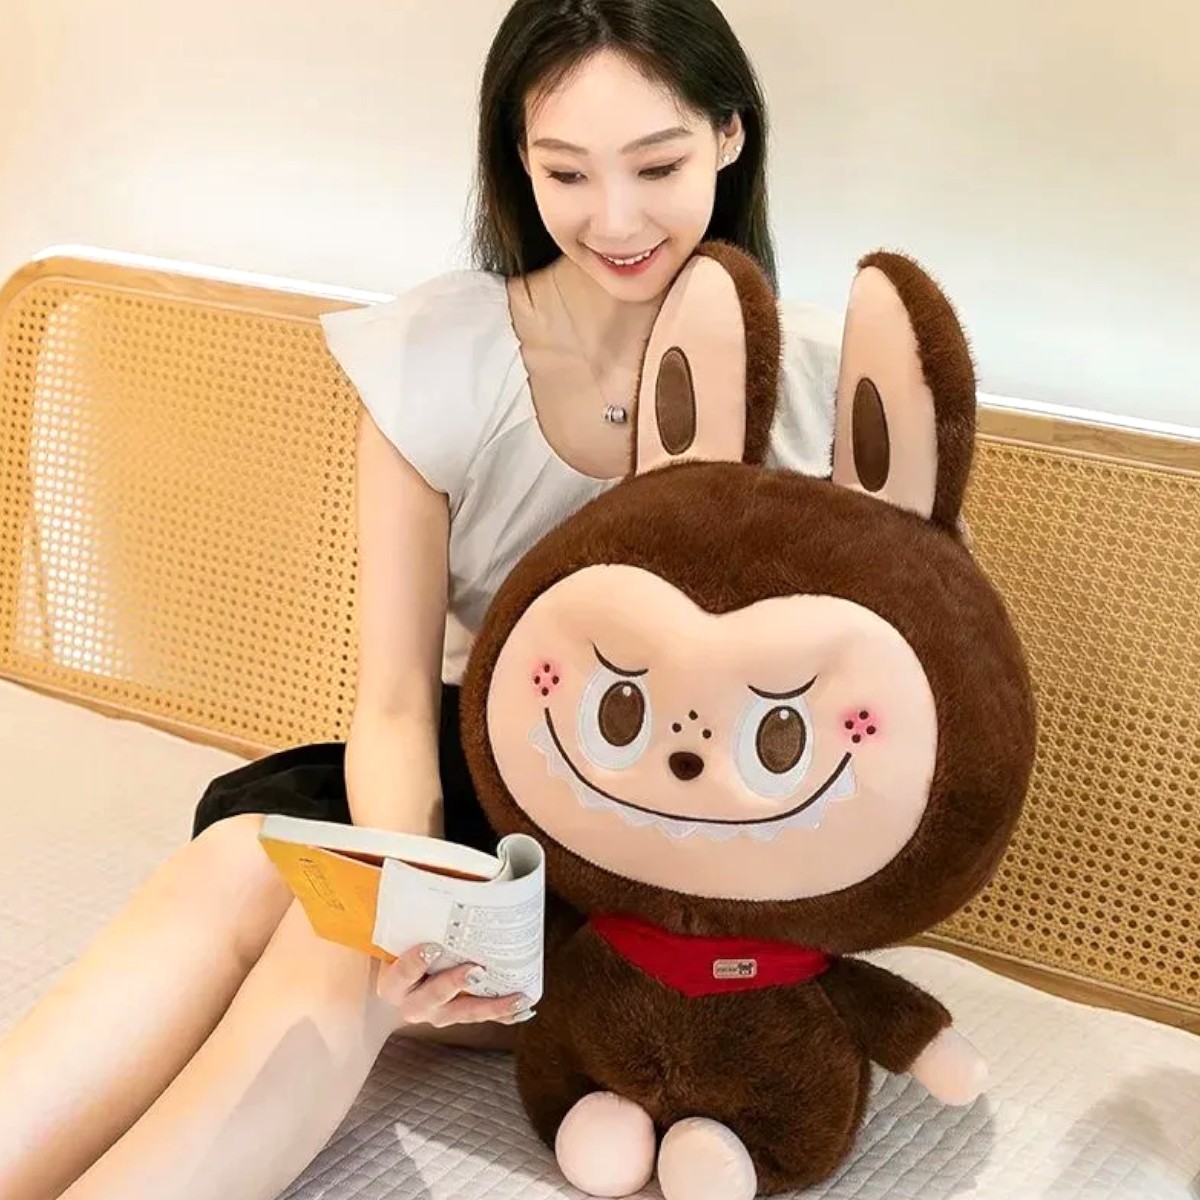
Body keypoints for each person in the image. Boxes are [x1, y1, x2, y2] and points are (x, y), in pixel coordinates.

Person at [0, 2, 840, 1198]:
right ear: (517, 162)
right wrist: (413, 906)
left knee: (329, 944)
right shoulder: (445, 352)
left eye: (656, 167)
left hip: (676, 831)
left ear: (729, 136)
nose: (614, 219)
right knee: (246, 868)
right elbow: (395, 702)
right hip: (475, 773)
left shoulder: (813, 386)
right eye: (566, 172)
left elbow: (899, 695)